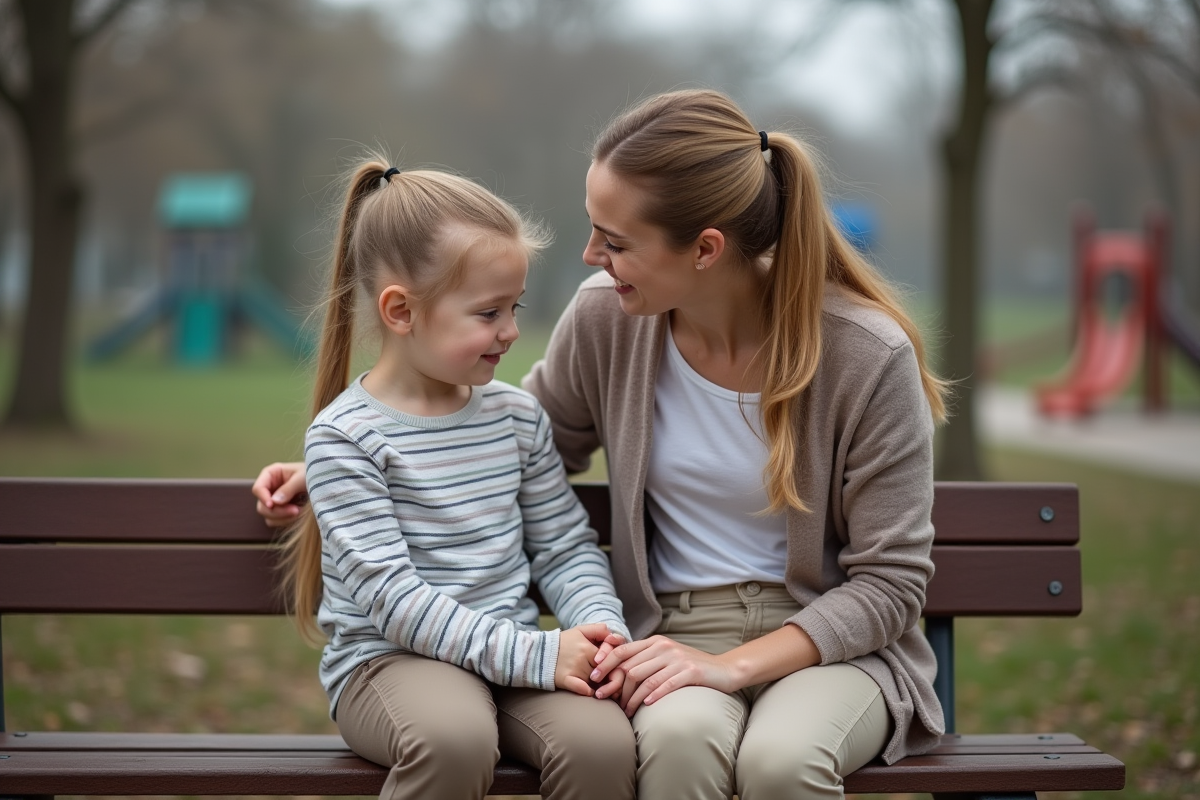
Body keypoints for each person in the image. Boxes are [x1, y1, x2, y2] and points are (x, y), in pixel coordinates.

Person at [256, 90, 949, 799]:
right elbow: (510, 438)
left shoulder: (866, 355)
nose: (592, 257)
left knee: (781, 764)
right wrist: (335, 468)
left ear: (705, 250)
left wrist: (729, 666)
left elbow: (890, 583)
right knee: (676, 745)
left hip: (827, 642)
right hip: (671, 632)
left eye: (615, 242)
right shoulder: (607, 318)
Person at [275, 158, 636, 800]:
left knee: (603, 745)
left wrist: (602, 630)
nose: (511, 331)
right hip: (391, 663)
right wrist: (540, 655)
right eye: (488, 312)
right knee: (455, 740)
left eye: (514, 307)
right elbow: (394, 602)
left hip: (512, 657)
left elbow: (563, 547)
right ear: (401, 311)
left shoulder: (516, 418)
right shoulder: (345, 438)